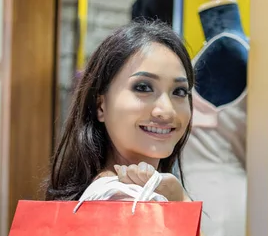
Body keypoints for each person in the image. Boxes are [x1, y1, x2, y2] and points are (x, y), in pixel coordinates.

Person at [45, 20, 194, 202]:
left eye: (179, 91)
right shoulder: (121, 198)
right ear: (100, 105)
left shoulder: (152, 194)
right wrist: (182, 201)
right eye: (143, 87)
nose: (167, 111)